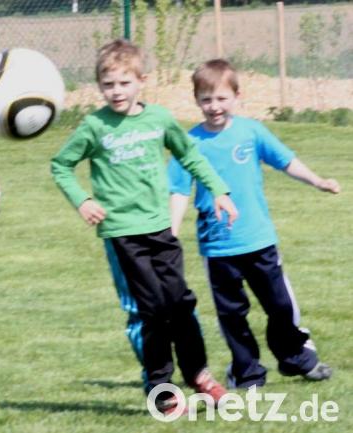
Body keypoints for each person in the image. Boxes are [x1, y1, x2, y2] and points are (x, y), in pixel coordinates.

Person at [50, 39, 238, 413]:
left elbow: (189, 155)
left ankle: (199, 376)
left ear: (141, 81)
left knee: (181, 303)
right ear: (99, 86)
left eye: (123, 83)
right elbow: (60, 165)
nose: (116, 91)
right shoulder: (94, 126)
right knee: (152, 310)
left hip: (160, 229)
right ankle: (161, 390)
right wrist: (83, 200)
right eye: (108, 84)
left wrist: (218, 189)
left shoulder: (160, 119)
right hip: (123, 234)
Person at [168, 59, 339, 389]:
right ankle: (246, 373)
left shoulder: (251, 132)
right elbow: (177, 190)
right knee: (232, 316)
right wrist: (171, 233)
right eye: (206, 99)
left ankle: (297, 358)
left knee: (280, 305)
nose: (214, 107)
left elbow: (285, 160)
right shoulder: (189, 143)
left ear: (236, 96)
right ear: (196, 100)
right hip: (218, 247)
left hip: (258, 240)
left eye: (220, 98)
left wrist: (317, 181)